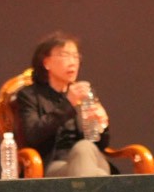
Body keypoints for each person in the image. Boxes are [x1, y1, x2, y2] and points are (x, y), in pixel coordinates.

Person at [13, 32, 112, 177]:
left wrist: (102, 125)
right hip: (55, 165)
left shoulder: (85, 94)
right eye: (65, 56)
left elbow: (100, 145)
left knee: (86, 150)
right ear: (46, 63)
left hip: (89, 160)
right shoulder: (30, 96)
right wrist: (68, 104)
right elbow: (33, 136)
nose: (73, 62)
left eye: (75, 56)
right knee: (98, 172)